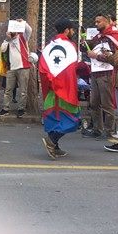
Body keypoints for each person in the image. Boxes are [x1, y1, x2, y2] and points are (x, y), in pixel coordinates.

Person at [40, 18, 80, 159]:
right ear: (66, 30)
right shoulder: (70, 45)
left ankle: (55, 147)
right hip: (65, 88)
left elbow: (44, 66)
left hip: (52, 87)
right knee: (73, 118)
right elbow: (71, 67)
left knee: (55, 117)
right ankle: (52, 141)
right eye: (72, 29)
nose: (73, 32)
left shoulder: (49, 45)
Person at [83, 13, 118, 139]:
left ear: (107, 21)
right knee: (94, 103)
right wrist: (84, 44)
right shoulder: (98, 37)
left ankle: (109, 130)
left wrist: (96, 56)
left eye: (99, 21)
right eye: (95, 22)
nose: (96, 24)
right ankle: (97, 129)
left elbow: (116, 58)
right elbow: (88, 49)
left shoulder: (114, 37)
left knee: (107, 103)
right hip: (95, 72)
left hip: (107, 73)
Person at [0, 19, 32, 118]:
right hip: (12, 68)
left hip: (24, 66)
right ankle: (5, 108)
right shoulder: (8, 40)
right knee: (8, 89)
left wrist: (23, 22)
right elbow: (2, 49)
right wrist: (8, 39)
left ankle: (21, 108)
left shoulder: (23, 36)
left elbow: (29, 30)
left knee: (23, 90)